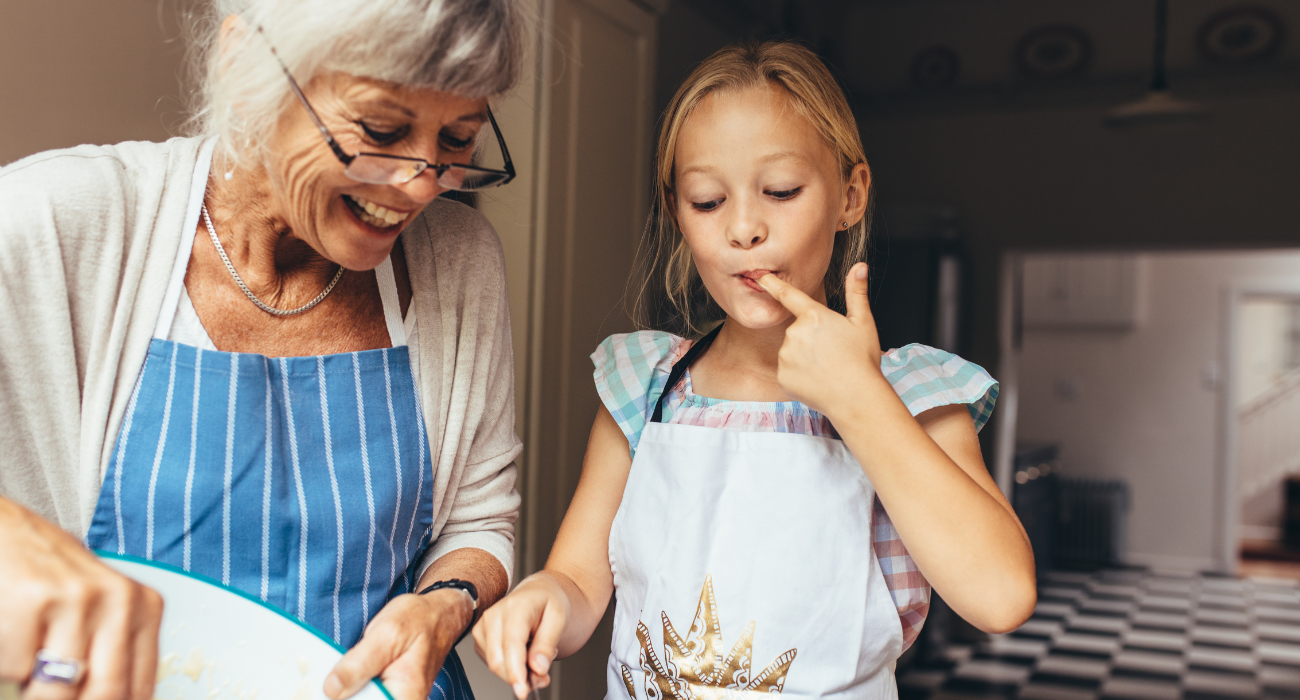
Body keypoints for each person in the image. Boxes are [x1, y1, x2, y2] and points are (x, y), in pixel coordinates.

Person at [473, 41, 1037, 699]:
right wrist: (542, 600)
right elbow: (577, 581)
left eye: (781, 191)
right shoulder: (643, 388)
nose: (743, 228)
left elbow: (1001, 598)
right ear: (679, 216)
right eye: (708, 200)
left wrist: (860, 399)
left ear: (850, 195)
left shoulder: (916, 395)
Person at [0, 2, 526, 699]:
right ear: (247, 66)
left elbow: (481, 516)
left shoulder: (462, 262)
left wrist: (446, 602)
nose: (421, 182)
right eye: (382, 129)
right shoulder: (57, 221)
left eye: (458, 140)